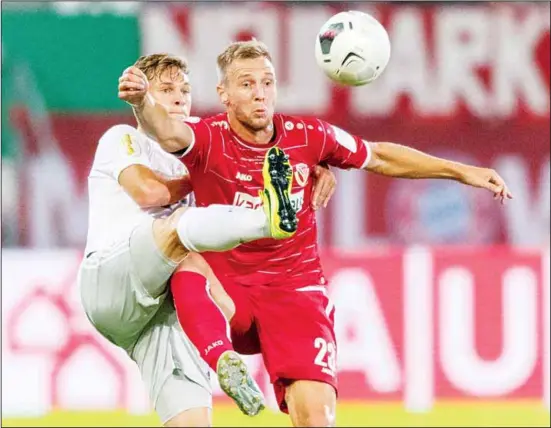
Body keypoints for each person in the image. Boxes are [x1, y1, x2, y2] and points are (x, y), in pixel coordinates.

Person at [118, 40, 513, 427]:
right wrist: (140, 103)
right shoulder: (208, 137)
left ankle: (232, 357)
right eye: (246, 84)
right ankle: (224, 360)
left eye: (267, 83)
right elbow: (169, 132)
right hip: (226, 295)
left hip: (295, 292)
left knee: (316, 417)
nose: (260, 94)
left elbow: (378, 155)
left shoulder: (309, 136)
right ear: (224, 94)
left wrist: (462, 171)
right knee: (184, 257)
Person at [81, 53, 337, 426]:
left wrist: (315, 167)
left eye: (185, 90)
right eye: (166, 90)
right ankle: (267, 222)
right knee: (182, 229)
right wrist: (207, 173)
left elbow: (264, 146)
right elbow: (149, 193)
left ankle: (224, 361)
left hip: (160, 310)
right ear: (146, 99)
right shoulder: (123, 139)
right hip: (111, 280)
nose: (180, 98)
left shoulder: (200, 140)